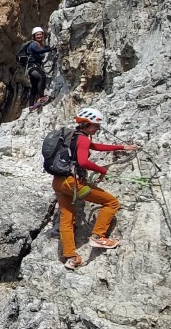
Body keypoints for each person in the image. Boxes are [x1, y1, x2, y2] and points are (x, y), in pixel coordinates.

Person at [53, 107, 138, 269]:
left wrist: (121, 147)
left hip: (59, 182)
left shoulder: (72, 135)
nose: (98, 129)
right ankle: (99, 236)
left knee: (67, 219)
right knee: (111, 203)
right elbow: (83, 161)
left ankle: (72, 257)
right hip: (73, 183)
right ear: (87, 124)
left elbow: (96, 147)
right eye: (96, 126)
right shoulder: (82, 139)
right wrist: (102, 170)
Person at [19, 27, 56, 109]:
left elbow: (43, 49)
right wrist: (51, 49)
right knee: (41, 77)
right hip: (32, 67)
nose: (39, 36)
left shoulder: (40, 45)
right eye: (37, 35)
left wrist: (50, 48)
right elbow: (38, 51)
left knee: (34, 86)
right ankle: (42, 97)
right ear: (34, 36)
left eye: (40, 34)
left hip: (32, 67)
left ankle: (31, 106)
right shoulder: (33, 44)